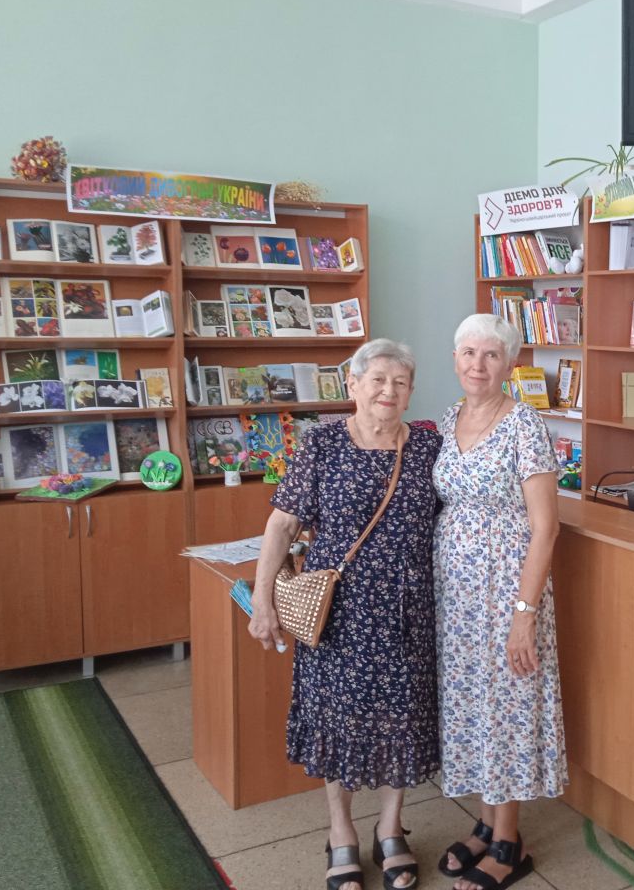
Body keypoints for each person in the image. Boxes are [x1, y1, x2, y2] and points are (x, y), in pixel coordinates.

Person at [250, 339, 442, 890]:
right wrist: (262, 599)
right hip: (339, 615)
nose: (388, 391)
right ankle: (341, 832)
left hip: (409, 612)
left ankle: (390, 827)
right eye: (377, 379)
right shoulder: (323, 444)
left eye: (400, 382)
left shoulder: (428, 447)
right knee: (338, 721)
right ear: (352, 385)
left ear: (411, 391)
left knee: (402, 720)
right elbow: (282, 525)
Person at [433, 313, 566, 890]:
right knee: (473, 703)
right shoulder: (448, 418)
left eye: (491, 355)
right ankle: (487, 826)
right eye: (469, 353)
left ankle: (510, 843)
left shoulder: (524, 424)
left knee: (506, 704)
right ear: (455, 359)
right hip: (457, 596)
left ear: (510, 364)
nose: (478, 365)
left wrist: (524, 616)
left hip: (508, 591)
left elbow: (546, 528)